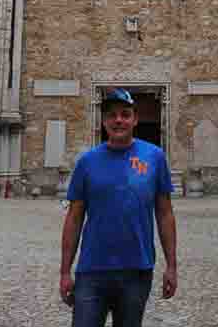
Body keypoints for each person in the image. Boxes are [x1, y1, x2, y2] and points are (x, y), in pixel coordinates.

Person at [59, 88, 178, 326]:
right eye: (112, 115)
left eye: (125, 114)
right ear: (103, 121)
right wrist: (64, 271)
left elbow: (164, 213)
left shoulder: (154, 157)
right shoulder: (87, 162)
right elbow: (74, 218)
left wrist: (172, 266)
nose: (118, 120)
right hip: (92, 270)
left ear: (135, 119)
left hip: (136, 270)